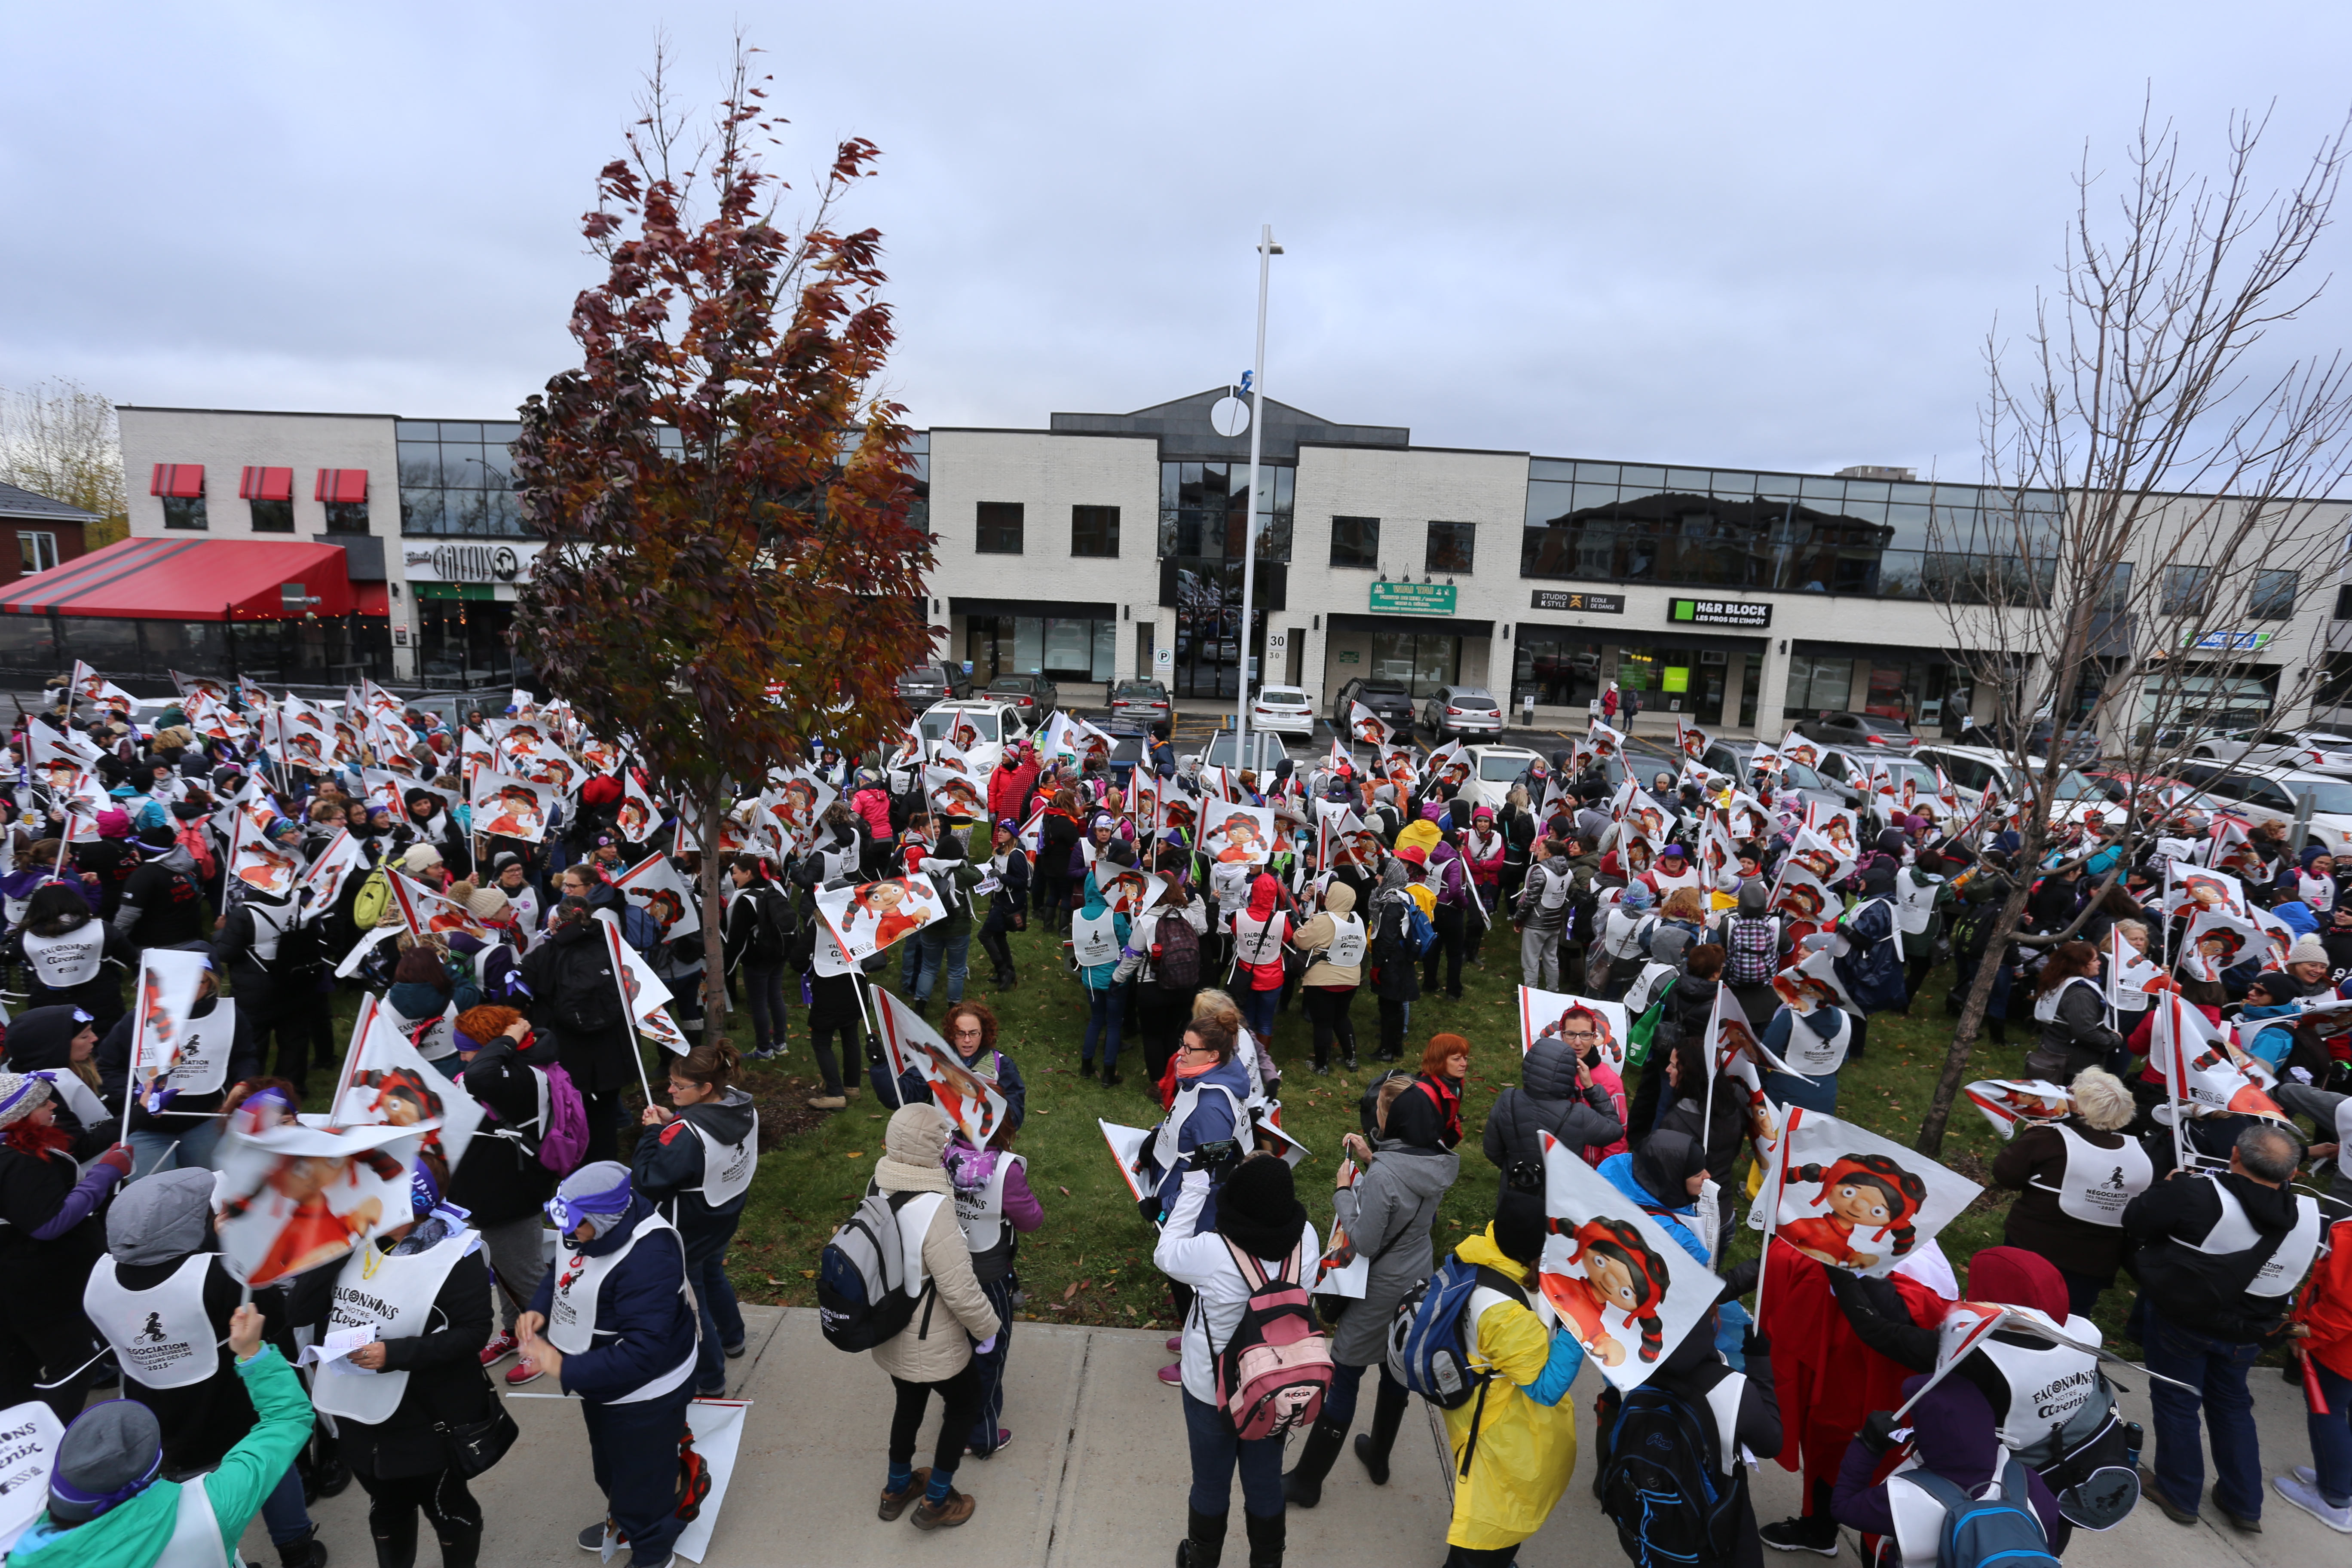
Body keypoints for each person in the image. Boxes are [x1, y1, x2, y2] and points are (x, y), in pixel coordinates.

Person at [79, 1167, 326, 1565]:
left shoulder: (99, 1275)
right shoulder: (222, 1273)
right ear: (185, 1227)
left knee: (187, 1496)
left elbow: (109, 1347)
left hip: (158, 1413)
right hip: (231, 1406)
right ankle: (297, 1551)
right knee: (269, 1469)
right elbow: (275, 1320)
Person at [291, 1163, 495, 1568]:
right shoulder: (358, 1240)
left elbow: (474, 1333)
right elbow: (298, 1310)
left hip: (426, 1417)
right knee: (386, 1505)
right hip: (358, 1409)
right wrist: (335, 1249)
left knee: (447, 1508)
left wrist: (395, 1354)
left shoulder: (457, 1254)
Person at [2123, 1120, 2320, 1532]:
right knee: (2232, 1407)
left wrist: (2167, 1186)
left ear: (2234, 1156)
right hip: (2248, 1329)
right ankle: (2244, 1502)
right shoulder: (2308, 1213)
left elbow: (2137, 1220)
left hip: (2185, 1318)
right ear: (2292, 1175)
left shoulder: (2196, 1193)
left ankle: (2178, 1492)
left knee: (2178, 1401)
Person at [7, 1302, 307, 1567]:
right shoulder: (211, 1505)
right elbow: (287, 1419)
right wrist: (253, 1353)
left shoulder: (23, 1555)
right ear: (151, 1474)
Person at [1283, 1072, 1457, 1509]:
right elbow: (1406, 1187)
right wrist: (1374, 1157)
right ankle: (1379, 1458)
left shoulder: (1383, 1178)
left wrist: (1344, 1192)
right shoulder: (1438, 1160)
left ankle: (1307, 1482)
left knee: (1345, 1374)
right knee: (1396, 1367)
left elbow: (1363, 1240)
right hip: (1417, 1272)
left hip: (1379, 1286)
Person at [518, 1163, 699, 1568]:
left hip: (644, 1392)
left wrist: (562, 1367)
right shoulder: (584, 1225)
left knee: (643, 1481)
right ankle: (627, 1519)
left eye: (576, 1226)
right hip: (600, 1380)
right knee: (610, 1466)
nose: (567, 1234)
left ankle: (653, 1551)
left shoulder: (649, 1258)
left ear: (603, 1221)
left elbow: (642, 1353)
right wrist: (539, 1310)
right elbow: (562, 1271)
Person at [1155, 1152, 1319, 1568]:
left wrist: (1194, 1187)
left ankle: (1201, 1559)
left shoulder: (1213, 1252)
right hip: (1273, 1387)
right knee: (1264, 1483)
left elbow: (1167, 1252)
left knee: (1211, 1484)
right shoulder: (1309, 1240)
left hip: (1211, 1388)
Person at [868, 1104, 1005, 1532]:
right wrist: (988, 1330)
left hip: (891, 1326)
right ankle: (938, 1500)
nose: (948, 1145)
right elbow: (960, 1289)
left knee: (908, 1404)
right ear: (929, 1149)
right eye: (942, 1140)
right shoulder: (933, 1207)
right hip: (932, 1335)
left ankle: (896, 1489)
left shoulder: (877, 1183)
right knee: (963, 1404)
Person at [1440, 1187, 1585, 1567]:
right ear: (1529, 1254)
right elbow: (1544, 1387)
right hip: (1499, 1423)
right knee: (1498, 1513)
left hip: (1478, 1398)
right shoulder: (1506, 1316)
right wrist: (1579, 1326)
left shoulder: (1487, 1247)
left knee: (1486, 1505)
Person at [0, 1069, 133, 1424]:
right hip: (38, 1290)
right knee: (75, 1361)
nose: (54, 1105)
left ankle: (18, 1445)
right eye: (44, 1103)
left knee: (17, 1370)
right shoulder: (17, 1160)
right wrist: (105, 1174)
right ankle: (52, 1443)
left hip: (20, 1289)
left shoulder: (13, 1152)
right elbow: (48, 1223)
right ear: (20, 1115)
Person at [1832, 1375, 2070, 1565]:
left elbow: (1843, 1507)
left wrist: (1867, 1445)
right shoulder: (2027, 1480)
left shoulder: (1906, 1496)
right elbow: (2045, 1543)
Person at [633, 1039, 757, 1399]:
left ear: (705, 1088)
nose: (670, 1090)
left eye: (678, 1086)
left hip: (688, 1227)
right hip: (723, 1214)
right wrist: (676, 1123)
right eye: (670, 1083)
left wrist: (655, 1133)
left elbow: (648, 1180)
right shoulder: (739, 1104)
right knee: (713, 1272)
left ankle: (711, 1379)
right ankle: (734, 1338)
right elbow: (708, 1138)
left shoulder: (684, 1136)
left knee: (693, 1302)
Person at [447, 1005, 562, 1384]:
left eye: (467, 1048)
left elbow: (479, 1075)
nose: (461, 1056)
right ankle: (514, 1331)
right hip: (482, 1188)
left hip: (508, 1192)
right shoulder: (493, 1071)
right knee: (499, 1266)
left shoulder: (521, 1076)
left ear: (492, 1046)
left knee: (525, 1272)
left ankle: (547, 1343)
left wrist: (506, 1038)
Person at [1987, 1066, 2151, 1316]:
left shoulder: (2047, 1137)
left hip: (2031, 1248)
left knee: (2008, 1314)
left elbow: (2006, 1175)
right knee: (2069, 1326)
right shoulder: (2142, 1153)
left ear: (2079, 1107)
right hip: (2093, 1264)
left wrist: (2027, 1138)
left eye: (2072, 1093)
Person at [942, 1082, 1042, 1459]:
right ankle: (980, 1433)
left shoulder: (943, 1154)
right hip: (991, 1275)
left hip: (947, 1265)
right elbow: (1031, 1221)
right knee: (989, 1352)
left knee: (955, 1345)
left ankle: (957, 1412)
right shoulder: (1007, 1171)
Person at [520, 897, 635, 1166]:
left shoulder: (543, 955)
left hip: (566, 1054)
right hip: (612, 1051)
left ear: (556, 921)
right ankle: (608, 1170)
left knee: (569, 1117)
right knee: (604, 1116)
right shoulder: (614, 947)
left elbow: (514, 998)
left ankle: (575, 1171)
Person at [2280, 1201, 2352, 1531]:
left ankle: (2335, 1498)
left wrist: (2305, 1335)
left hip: (2341, 1351)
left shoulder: (2350, 1235)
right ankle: (2338, 1477)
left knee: (2329, 1412)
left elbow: (2342, 1307)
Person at [1289, 880, 1364, 1074]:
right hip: (1350, 979)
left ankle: (1322, 1066)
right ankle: (1351, 1059)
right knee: (1341, 1017)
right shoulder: (1357, 920)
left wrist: (1309, 922)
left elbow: (1301, 941)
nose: (1327, 897)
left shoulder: (1322, 920)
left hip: (1323, 980)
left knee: (1322, 1023)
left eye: (1330, 895)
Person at [722, 854, 792, 1061]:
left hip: (757, 958)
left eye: (735, 873)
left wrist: (726, 967)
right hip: (780, 952)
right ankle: (780, 1044)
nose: (733, 878)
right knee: (776, 997)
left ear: (747, 873)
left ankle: (763, 1050)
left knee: (759, 1003)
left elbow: (736, 939)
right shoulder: (776, 887)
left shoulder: (745, 899)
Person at [2024, 940, 2123, 1083]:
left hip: (2055, 1056)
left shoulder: (2060, 981)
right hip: (2071, 1068)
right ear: (2080, 965)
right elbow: (2086, 1033)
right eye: (2094, 960)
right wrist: (2114, 1040)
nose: (2099, 963)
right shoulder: (2080, 995)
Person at [911, 830, 985, 1014]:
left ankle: (920, 1006)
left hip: (930, 926)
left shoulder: (924, 869)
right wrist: (967, 861)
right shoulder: (961, 872)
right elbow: (978, 876)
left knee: (928, 968)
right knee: (956, 970)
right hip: (958, 928)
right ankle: (954, 1008)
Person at [1075, 871, 1132, 1085]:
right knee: (1115, 1024)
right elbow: (1128, 941)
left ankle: (1086, 1066)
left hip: (1090, 979)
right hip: (1115, 979)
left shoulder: (1077, 915)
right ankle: (1109, 1073)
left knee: (1096, 1020)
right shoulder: (1114, 916)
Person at [1367, 859, 1422, 1064]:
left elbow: (1386, 939)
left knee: (1388, 1007)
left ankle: (1386, 1051)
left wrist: (1377, 966)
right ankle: (1396, 1048)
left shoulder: (1391, 904)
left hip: (1392, 962)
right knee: (1397, 1006)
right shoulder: (1405, 895)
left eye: (1380, 874)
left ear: (1389, 877)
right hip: (1403, 959)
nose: (1377, 877)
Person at [975, 818, 1030, 990]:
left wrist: (1001, 877)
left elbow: (1023, 882)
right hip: (999, 900)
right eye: (999, 830)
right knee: (999, 936)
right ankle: (1009, 970)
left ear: (1012, 835)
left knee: (984, 935)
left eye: (1004, 831)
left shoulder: (1016, 855)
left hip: (1009, 904)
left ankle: (1003, 970)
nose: (999, 833)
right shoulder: (1000, 852)